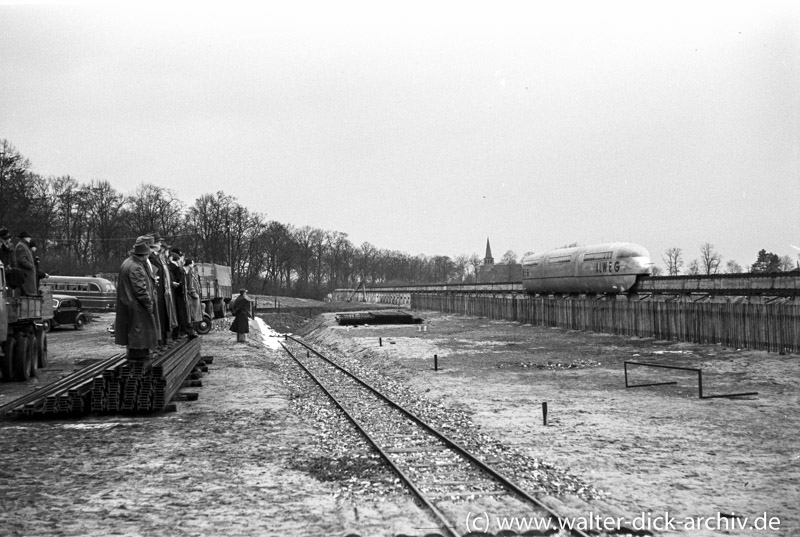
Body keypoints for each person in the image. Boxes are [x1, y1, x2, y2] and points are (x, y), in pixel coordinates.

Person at [115, 236, 159, 360]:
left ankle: (137, 354)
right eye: (147, 255)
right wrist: (148, 303)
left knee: (134, 331)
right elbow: (140, 289)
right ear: (143, 255)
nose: (148, 258)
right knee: (139, 332)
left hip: (129, 303)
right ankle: (139, 356)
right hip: (136, 305)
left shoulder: (128, 263)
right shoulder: (136, 267)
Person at [147, 232, 177, 345]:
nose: (160, 244)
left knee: (163, 317)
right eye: (159, 242)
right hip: (158, 293)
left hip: (162, 292)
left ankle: (163, 340)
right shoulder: (152, 258)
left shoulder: (157, 258)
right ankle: (160, 342)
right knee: (159, 317)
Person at [167, 247, 197, 339]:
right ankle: (181, 333)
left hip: (180, 294)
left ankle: (180, 333)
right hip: (179, 295)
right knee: (182, 315)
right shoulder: (177, 269)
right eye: (180, 258)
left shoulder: (178, 269)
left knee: (182, 315)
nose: (181, 260)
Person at [13, 231, 38, 296]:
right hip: (26, 276)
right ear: (25, 238)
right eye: (29, 237)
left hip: (26, 276)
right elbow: (21, 260)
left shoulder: (23, 246)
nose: (30, 239)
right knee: (27, 295)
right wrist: (31, 266)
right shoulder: (21, 246)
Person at [184, 258, 203, 327]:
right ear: (189, 264)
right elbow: (190, 286)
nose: (193, 265)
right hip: (191, 297)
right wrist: (195, 295)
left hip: (193, 296)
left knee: (193, 314)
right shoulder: (187, 274)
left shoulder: (191, 273)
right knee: (192, 314)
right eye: (192, 263)